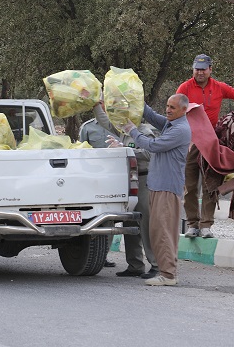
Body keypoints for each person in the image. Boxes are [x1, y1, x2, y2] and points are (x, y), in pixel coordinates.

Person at [177, 54, 234, 239]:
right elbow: (174, 107)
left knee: (211, 184)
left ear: (210, 69)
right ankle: (193, 224)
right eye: (197, 69)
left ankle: (206, 225)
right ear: (193, 69)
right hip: (190, 141)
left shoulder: (218, 87)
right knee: (190, 185)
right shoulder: (185, 87)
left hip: (211, 142)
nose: (200, 72)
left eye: (203, 69)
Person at [120, 94, 191, 286]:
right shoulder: (171, 124)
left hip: (167, 187)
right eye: (167, 106)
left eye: (172, 107)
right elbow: (150, 115)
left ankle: (168, 274)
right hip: (158, 185)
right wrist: (131, 95)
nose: (168, 110)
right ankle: (165, 270)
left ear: (184, 110)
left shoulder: (180, 130)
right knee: (157, 229)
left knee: (164, 231)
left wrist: (133, 131)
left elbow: (152, 145)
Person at [93, 103, 159, 279]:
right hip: (130, 181)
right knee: (131, 223)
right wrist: (96, 104)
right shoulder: (126, 130)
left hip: (144, 179)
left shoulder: (144, 131)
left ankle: (156, 264)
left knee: (146, 223)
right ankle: (135, 264)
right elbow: (106, 122)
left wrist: (125, 151)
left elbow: (149, 153)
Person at [79, 117, 118, 268]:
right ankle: (96, 254)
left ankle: (103, 255)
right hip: (93, 179)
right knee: (94, 217)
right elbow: (80, 151)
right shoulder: (87, 127)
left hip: (114, 177)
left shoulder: (118, 124)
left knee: (110, 217)